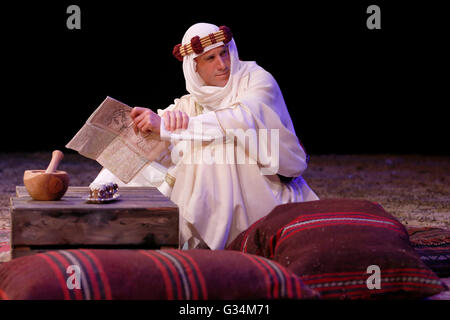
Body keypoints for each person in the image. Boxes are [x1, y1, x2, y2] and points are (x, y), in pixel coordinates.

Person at [92, 23, 319, 250]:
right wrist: (148, 124)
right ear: (195, 68)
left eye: (224, 53)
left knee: (214, 151)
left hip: (269, 182)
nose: (222, 65)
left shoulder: (256, 80)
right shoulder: (192, 104)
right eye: (210, 59)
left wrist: (174, 128)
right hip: (223, 182)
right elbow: (166, 124)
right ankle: (100, 211)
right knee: (155, 149)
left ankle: (203, 244)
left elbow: (240, 119)